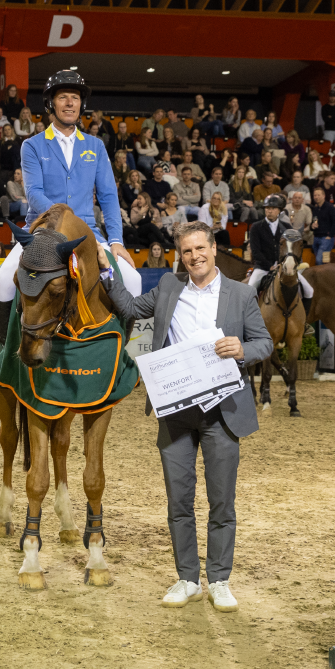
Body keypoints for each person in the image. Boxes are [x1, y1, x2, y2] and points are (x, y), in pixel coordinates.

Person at [100, 221, 272, 612]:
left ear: (214, 249)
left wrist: (242, 349)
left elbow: (264, 342)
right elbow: (129, 308)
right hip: (176, 411)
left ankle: (219, 580)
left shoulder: (241, 293)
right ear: (181, 255)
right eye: (187, 251)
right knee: (178, 501)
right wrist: (107, 270)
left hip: (222, 412)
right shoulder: (168, 286)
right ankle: (188, 579)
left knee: (221, 502)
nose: (194, 257)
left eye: (200, 248)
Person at [0, 70, 141, 325]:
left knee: (133, 280)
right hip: (41, 230)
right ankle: (6, 342)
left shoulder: (96, 146)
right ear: (51, 104)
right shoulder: (32, 145)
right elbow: (34, 193)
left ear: (82, 104)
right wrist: (67, 223)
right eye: (63, 97)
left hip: (89, 232)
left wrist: (116, 240)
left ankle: (119, 342)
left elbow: (108, 196)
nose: (70, 103)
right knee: (4, 281)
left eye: (75, 97)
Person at [246, 195, 287, 291]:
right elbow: (255, 251)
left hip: (283, 268)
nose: (270, 211)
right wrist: (269, 266)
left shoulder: (286, 227)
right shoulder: (256, 227)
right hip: (262, 268)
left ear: (279, 210)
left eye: (273, 208)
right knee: (250, 289)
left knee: (308, 290)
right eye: (267, 208)